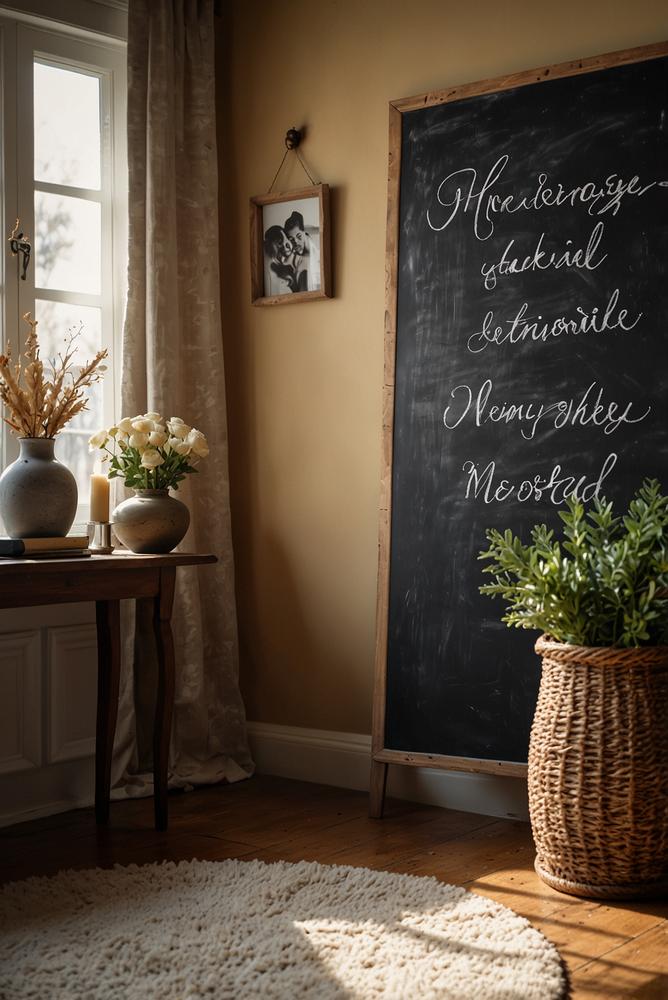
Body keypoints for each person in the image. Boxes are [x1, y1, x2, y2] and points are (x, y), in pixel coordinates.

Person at [284, 211, 321, 291]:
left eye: (299, 236)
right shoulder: (295, 264)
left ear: (304, 232)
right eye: (291, 240)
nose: (296, 242)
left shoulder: (319, 241)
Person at [263, 225, 298, 295]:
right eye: (279, 242)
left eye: (287, 239)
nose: (286, 244)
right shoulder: (271, 267)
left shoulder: (290, 267)